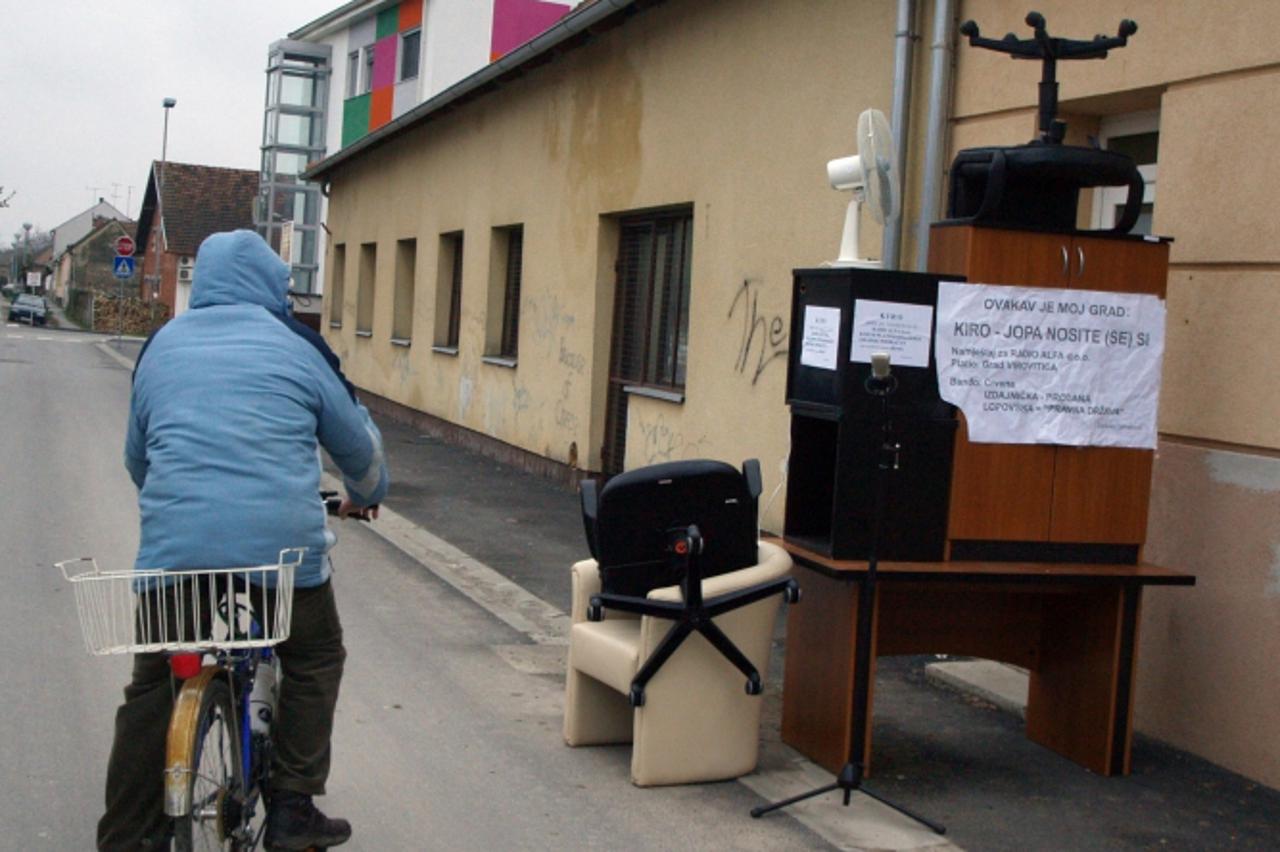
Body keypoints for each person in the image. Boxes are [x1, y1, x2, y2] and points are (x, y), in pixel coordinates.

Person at [98, 229, 389, 851]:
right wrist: (366, 492)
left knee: (153, 684)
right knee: (313, 657)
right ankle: (292, 808)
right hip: (279, 556)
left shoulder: (160, 346)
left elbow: (138, 461)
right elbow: (358, 451)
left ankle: (127, 836)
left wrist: (179, 507)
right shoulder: (297, 344)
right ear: (272, 288)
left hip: (177, 556)